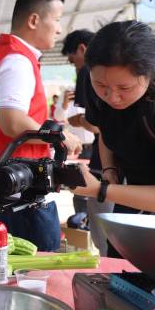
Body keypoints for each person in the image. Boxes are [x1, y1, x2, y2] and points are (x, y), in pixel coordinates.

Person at [0, 0, 81, 251]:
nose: (59, 29)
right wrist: (60, 134)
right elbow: (11, 121)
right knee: (40, 268)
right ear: (34, 20)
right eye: (56, 20)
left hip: (10, 182)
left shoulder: (2, 55)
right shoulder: (18, 61)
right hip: (23, 189)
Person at [73, 21, 155, 254]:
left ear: (148, 73)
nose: (112, 96)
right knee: (120, 261)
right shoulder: (96, 91)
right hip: (133, 198)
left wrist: (100, 190)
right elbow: (105, 133)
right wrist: (110, 172)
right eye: (101, 84)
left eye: (124, 87)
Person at [60, 29, 113, 255]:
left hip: (105, 172)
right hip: (105, 168)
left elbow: (101, 128)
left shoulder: (90, 72)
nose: (113, 96)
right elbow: (106, 132)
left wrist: (104, 187)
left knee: (106, 235)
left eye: (74, 63)